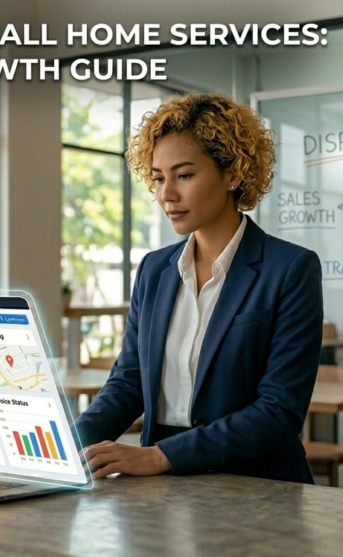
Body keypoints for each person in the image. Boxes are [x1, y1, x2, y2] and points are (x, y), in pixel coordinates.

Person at [75, 93, 323, 484]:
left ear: (233, 173)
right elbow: (128, 384)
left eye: (184, 175)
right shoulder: (154, 269)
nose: (166, 194)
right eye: (158, 178)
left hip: (256, 484)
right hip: (160, 483)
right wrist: (60, 445)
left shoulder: (290, 268)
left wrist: (160, 456)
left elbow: (279, 411)